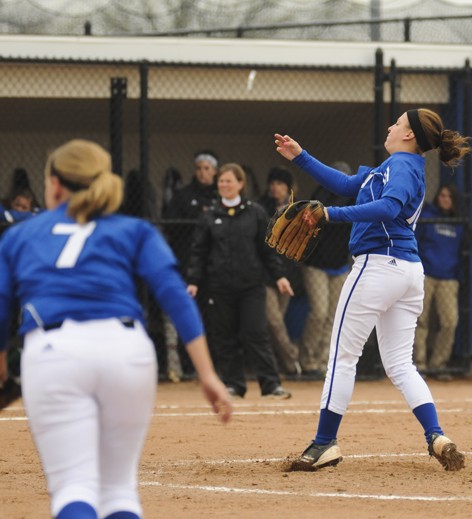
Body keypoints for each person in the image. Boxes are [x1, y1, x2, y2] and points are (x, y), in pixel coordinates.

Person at [0, 139, 231, 519]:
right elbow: (175, 297)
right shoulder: (134, 230)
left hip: (55, 353)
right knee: (118, 489)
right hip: (127, 352)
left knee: (74, 487)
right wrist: (206, 373)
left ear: (55, 184)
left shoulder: (21, 234)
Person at [274, 107, 472, 471]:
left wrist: (330, 215)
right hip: (408, 271)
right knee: (400, 364)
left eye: (398, 123)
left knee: (342, 357)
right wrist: (300, 157)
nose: (391, 126)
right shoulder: (392, 168)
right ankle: (436, 435)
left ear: (409, 135)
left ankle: (324, 443)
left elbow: (388, 207)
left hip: (378, 266)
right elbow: (348, 185)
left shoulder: (403, 167)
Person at [186, 162, 293, 399]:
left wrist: (279, 276)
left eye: (229, 181)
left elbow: (267, 250)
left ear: (240, 184)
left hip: (251, 286)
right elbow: (199, 252)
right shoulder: (209, 215)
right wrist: (194, 280)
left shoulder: (255, 213)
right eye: (221, 181)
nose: (224, 185)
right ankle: (234, 384)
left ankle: (271, 384)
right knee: (224, 336)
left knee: (256, 333)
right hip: (219, 286)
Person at [162, 151, 219, 381]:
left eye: (207, 168)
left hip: (214, 265)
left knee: (212, 314)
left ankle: (208, 366)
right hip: (186, 262)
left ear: (215, 171)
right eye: (199, 168)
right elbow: (172, 227)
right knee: (185, 312)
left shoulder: (220, 194)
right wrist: (199, 217)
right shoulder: (183, 195)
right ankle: (180, 365)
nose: (203, 172)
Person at [299, 161, 354, 379]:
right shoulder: (317, 198)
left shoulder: (353, 199)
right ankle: (307, 360)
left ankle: (323, 362)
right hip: (316, 264)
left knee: (333, 316)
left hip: (340, 264)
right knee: (319, 313)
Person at [413, 184, 466, 380]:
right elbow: (416, 241)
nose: (444, 199)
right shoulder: (427, 216)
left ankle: (438, 364)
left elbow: (462, 251)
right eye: (442, 195)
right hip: (426, 275)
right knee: (421, 320)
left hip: (448, 278)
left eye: (448, 196)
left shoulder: (458, 222)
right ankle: (420, 365)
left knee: (449, 322)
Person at [257, 166, 303, 376]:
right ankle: (292, 361)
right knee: (273, 321)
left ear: (288, 187)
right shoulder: (261, 208)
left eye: (280, 184)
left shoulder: (297, 209)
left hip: (288, 273)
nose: (275, 188)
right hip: (266, 274)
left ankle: (275, 367)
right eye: (273, 183)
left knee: (277, 325)